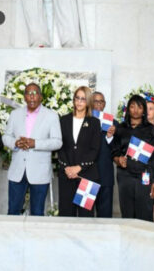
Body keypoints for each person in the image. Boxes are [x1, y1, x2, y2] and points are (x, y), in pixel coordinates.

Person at [2, 83, 62, 216]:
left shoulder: (51, 116)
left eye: (35, 93)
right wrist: (15, 143)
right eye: (29, 93)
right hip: (17, 171)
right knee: (12, 212)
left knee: (37, 213)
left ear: (41, 97)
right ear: (24, 97)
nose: (32, 96)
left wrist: (35, 143)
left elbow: (57, 142)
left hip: (40, 172)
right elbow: (6, 137)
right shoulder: (15, 114)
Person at [111, 95, 154, 221]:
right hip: (125, 175)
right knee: (127, 213)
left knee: (145, 213)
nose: (136, 110)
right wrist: (118, 160)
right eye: (132, 106)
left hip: (144, 175)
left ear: (144, 110)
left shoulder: (151, 129)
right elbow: (114, 151)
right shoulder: (120, 128)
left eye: (139, 107)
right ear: (128, 109)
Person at [57, 86, 101, 217]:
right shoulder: (64, 120)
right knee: (66, 214)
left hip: (87, 175)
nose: (79, 102)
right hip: (67, 175)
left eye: (83, 99)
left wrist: (79, 167)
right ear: (74, 99)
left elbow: (95, 149)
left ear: (88, 102)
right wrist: (67, 167)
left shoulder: (94, 122)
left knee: (85, 217)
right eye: (77, 98)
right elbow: (60, 146)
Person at [92, 91, 117, 218]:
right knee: (85, 216)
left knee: (105, 216)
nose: (98, 104)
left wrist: (110, 137)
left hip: (105, 176)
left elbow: (117, 149)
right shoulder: (83, 121)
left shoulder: (113, 123)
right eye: (95, 101)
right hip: (86, 176)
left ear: (105, 104)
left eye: (101, 101)